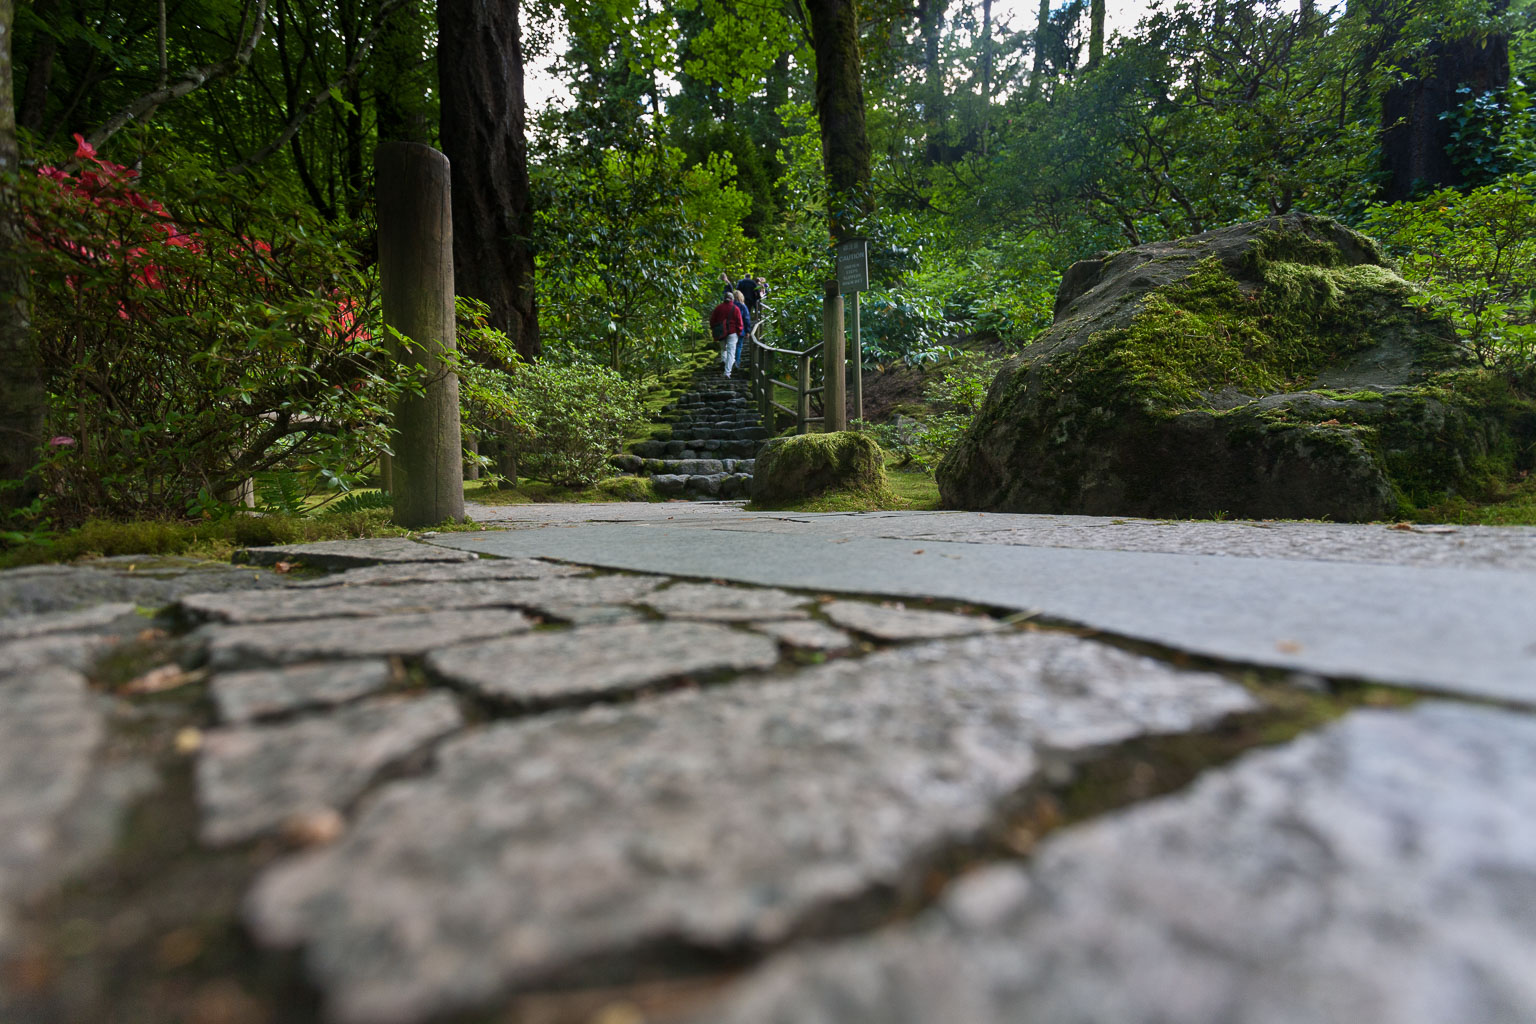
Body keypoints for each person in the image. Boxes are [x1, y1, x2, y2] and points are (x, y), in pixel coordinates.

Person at [710, 287, 744, 377]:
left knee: (723, 349)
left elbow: (712, 320)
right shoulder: (735, 308)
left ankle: (724, 362)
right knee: (731, 352)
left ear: (724, 298)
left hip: (721, 332)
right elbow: (739, 322)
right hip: (732, 332)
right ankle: (727, 372)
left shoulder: (718, 308)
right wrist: (739, 332)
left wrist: (714, 329)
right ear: (732, 299)